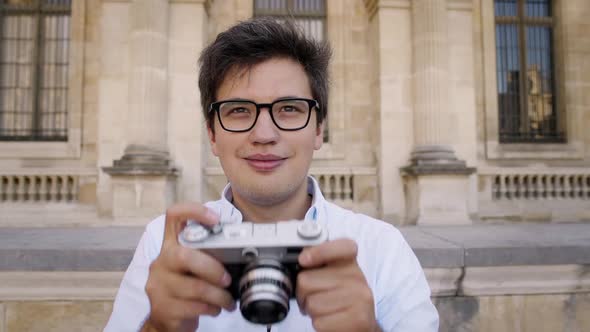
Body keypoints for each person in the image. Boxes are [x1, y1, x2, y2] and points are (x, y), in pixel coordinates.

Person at [105, 18, 439, 332]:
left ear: (319, 129)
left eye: (289, 109)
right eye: (238, 110)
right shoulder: (165, 245)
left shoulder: (381, 249)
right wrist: (157, 327)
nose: (264, 133)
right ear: (212, 134)